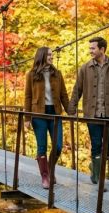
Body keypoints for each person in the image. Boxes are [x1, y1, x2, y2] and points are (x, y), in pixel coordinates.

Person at [69, 37, 109, 185]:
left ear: (102, 49)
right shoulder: (85, 68)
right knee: (96, 144)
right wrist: (72, 109)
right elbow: (77, 89)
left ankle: (95, 167)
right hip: (92, 113)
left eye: (93, 48)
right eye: (90, 48)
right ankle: (98, 178)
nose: (90, 51)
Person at [24, 47, 70, 189]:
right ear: (42, 56)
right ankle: (45, 176)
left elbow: (63, 94)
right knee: (42, 147)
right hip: (38, 114)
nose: (52, 57)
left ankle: (50, 170)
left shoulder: (57, 73)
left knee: (57, 146)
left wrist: (71, 112)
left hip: (55, 113)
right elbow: (28, 96)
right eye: (49, 55)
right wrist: (27, 118)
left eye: (52, 55)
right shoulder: (31, 75)